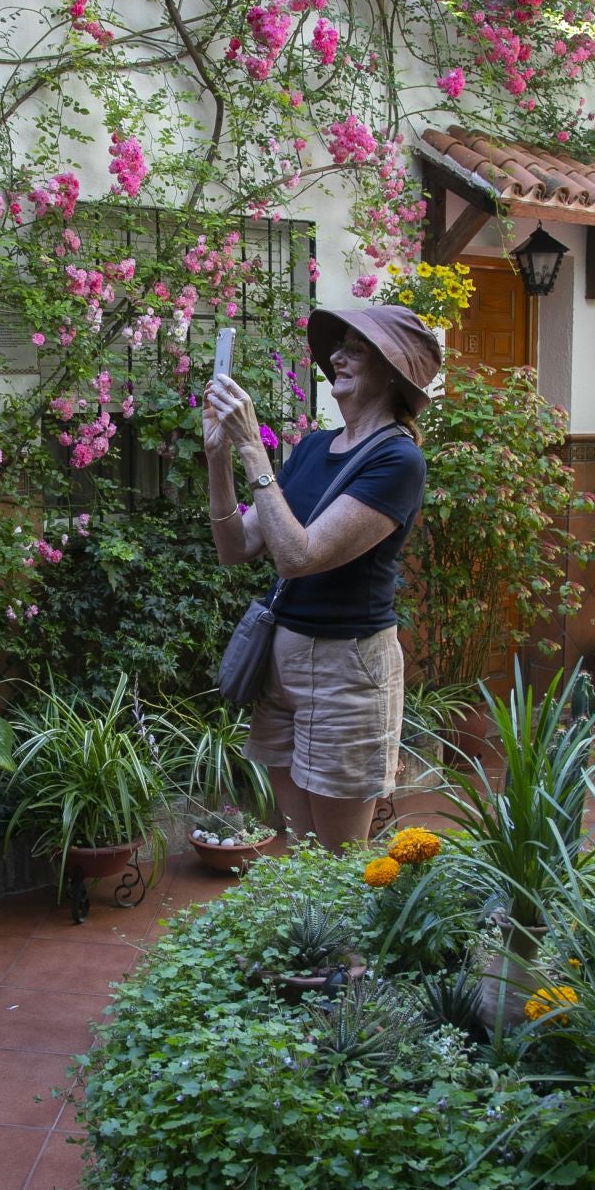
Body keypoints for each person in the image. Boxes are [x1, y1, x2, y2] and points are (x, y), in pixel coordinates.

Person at [203, 305, 437, 849]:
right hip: (281, 662)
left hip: (346, 671)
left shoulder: (398, 461)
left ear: (391, 371)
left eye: (356, 349)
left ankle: (353, 914)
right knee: (299, 847)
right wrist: (219, 456)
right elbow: (236, 547)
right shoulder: (312, 448)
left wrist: (251, 448)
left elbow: (297, 557)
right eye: (339, 347)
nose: (337, 357)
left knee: (338, 856)